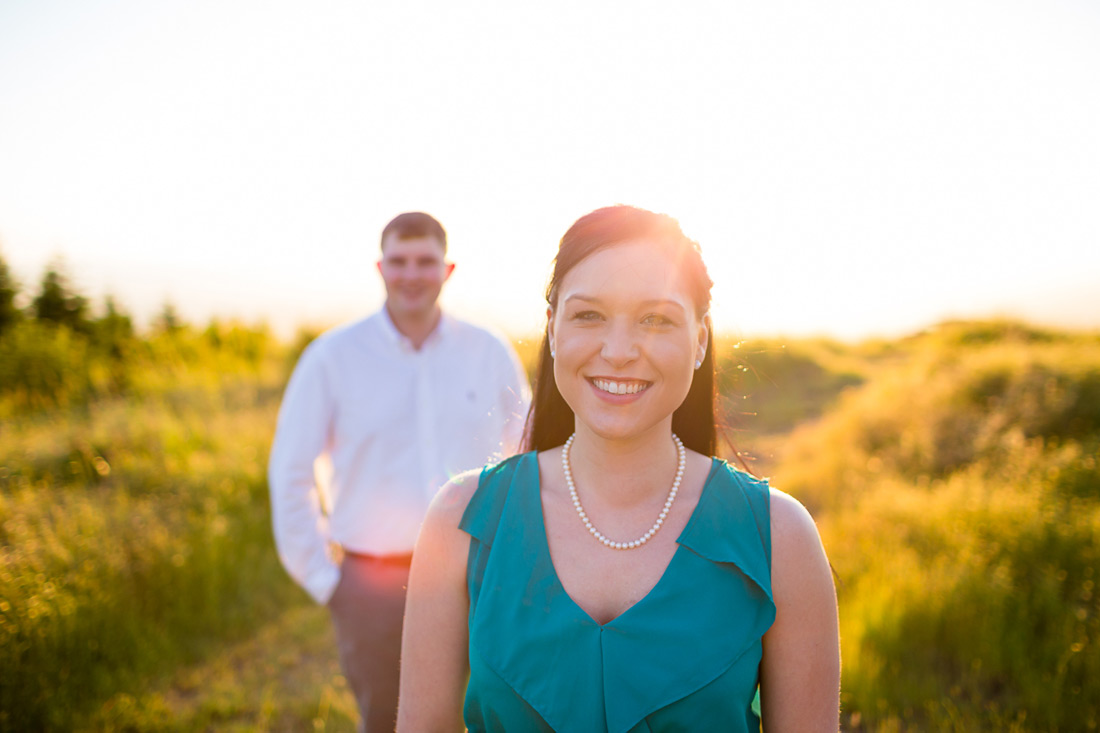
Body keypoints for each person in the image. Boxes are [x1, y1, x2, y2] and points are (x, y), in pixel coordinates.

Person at [398, 205, 840, 732]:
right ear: (553, 329)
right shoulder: (460, 520)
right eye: (589, 315)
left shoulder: (780, 537)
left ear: (699, 340)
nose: (620, 351)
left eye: (656, 319)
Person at [268, 211, 531, 732]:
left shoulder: (488, 350)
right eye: (399, 261)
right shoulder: (331, 358)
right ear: (380, 266)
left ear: (447, 269)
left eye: (425, 261)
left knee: (496, 717)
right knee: (391, 722)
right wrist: (328, 582)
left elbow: (524, 455)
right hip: (373, 586)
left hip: (480, 576)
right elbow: (290, 471)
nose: (412, 273)